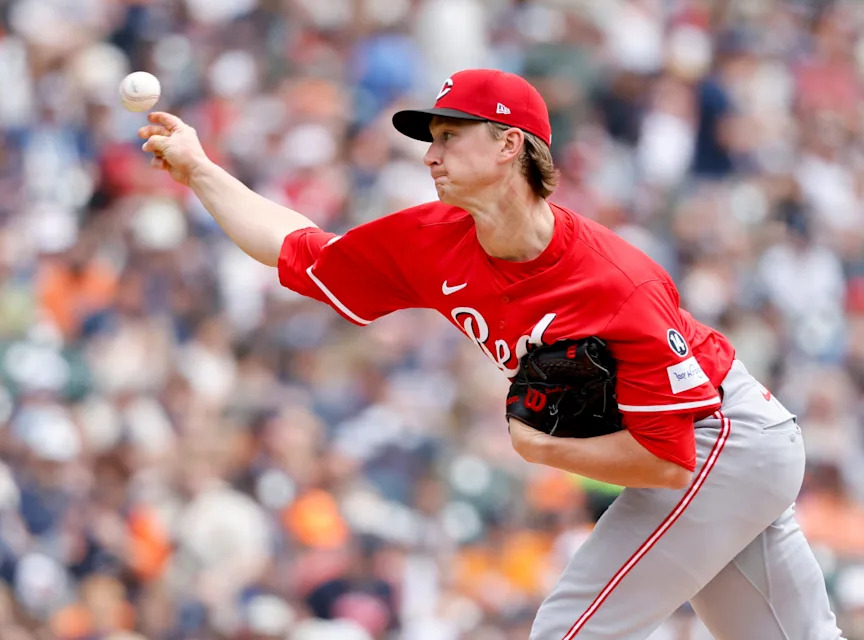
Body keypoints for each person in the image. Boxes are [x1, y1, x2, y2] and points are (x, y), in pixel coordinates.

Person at [139, 69, 843, 639]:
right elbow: (301, 252)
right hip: (724, 453)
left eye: (450, 135)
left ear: (510, 145)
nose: (430, 153)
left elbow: (669, 462)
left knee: (570, 630)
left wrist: (546, 449)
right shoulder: (432, 237)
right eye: (432, 139)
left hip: (721, 437)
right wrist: (200, 170)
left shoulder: (617, 282)